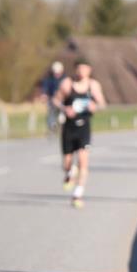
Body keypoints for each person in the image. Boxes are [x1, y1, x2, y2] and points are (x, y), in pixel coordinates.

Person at [53, 58, 106, 208]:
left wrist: (95, 105)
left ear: (89, 70)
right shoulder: (67, 84)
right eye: (79, 68)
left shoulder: (93, 85)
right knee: (67, 163)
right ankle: (70, 172)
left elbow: (102, 103)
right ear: (76, 69)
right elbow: (55, 100)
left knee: (84, 161)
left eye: (85, 68)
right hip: (69, 128)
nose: (82, 71)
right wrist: (65, 109)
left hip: (84, 128)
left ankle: (78, 193)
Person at [41, 61, 66, 133]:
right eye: (55, 72)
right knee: (51, 111)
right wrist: (44, 94)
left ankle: (62, 124)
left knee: (63, 111)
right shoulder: (49, 79)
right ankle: (52, 125)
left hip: (62, 99)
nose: (56, 74)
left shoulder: (65, 79)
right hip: (52, 99)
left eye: (58, 73)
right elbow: (45, 88)